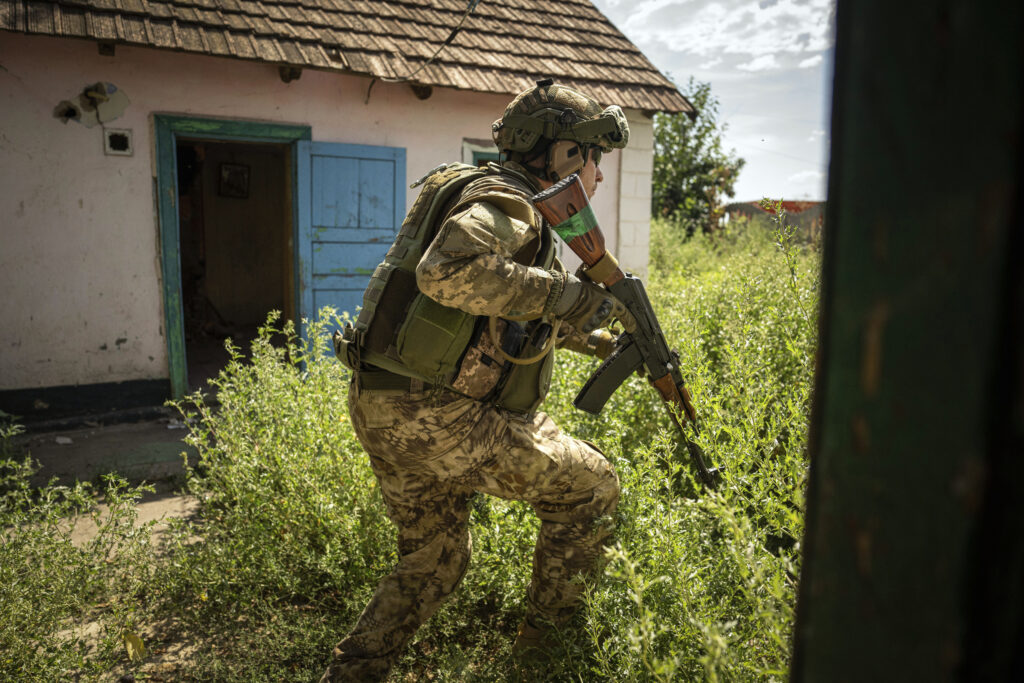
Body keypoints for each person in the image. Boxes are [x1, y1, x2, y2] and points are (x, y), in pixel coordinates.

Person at [322, 79, 635, 681]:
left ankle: (354, 673)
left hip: (383, 405)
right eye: (594, 157)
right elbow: (448, 275)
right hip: (438, 418)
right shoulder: (511, 202)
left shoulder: (471, 186)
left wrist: (591, 337)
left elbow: (491, 308)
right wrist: (572, 297)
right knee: (592, 489)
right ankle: (542, 663)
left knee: (435, 561)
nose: (598, 175)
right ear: (566, 155)